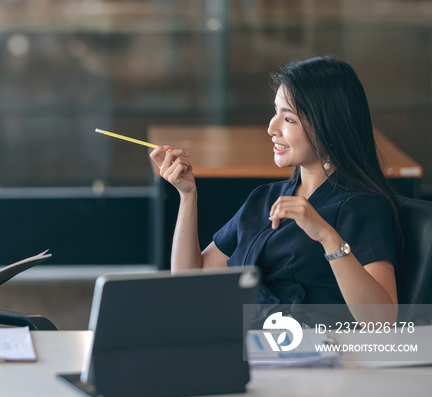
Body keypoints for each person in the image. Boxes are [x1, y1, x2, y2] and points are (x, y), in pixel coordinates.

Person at [150, 56, 401, 326]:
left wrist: (328, 237)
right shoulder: (265, 198)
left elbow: (382, 321)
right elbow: (191, 282)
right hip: (241, 341)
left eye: (289, 119)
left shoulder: (363, 207)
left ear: (329, 127)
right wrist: (187, 196)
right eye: (275, 112)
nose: (271, 128)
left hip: (306, 355)